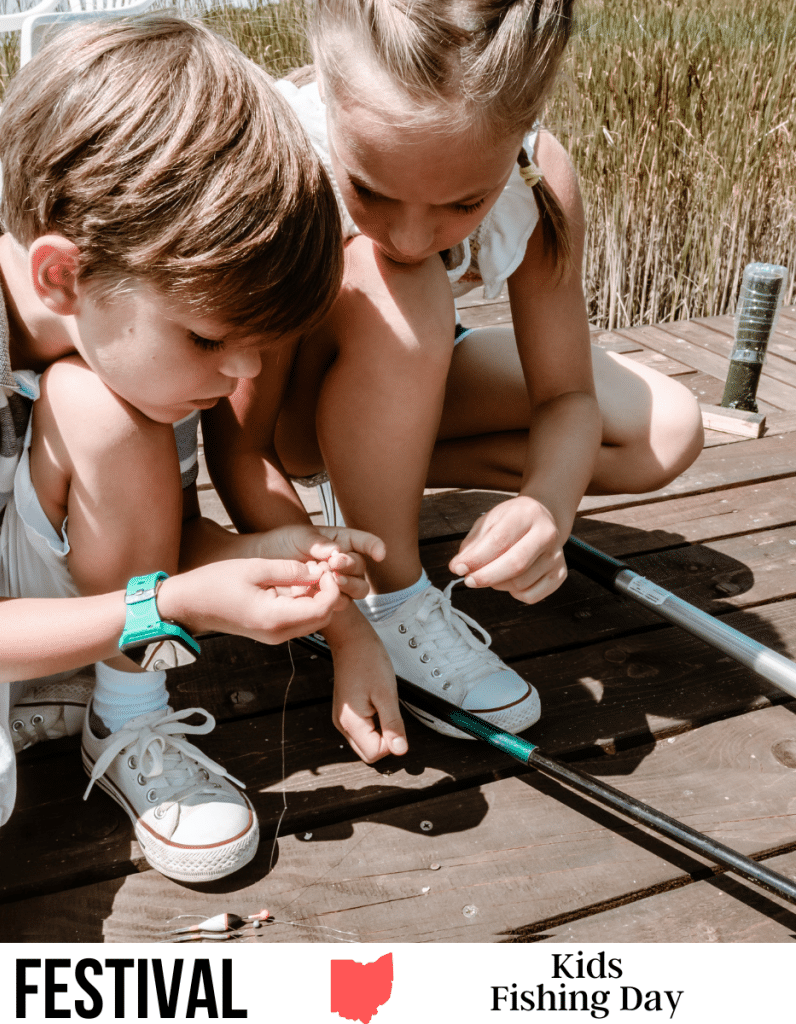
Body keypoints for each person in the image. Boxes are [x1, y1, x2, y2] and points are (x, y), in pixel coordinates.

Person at [0, 16, 383, 942]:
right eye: (216, 341)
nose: (247, 380)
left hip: (38, 598)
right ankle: (80, 692)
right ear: (62, 273)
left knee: (104, 408)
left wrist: (278, 565)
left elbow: (161, 535)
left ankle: (123, 710)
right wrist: (177, 604)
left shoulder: (133, 331)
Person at [205, 0, 704, 759]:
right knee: (398, 278)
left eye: (464, 204)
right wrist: (337, 611)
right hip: (293, 410)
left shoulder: (541, 176)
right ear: (334, 115)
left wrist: (548, 504)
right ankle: (395, 594)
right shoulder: (279, 159)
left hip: (411, 365)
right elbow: (243, 451)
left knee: (667, 431)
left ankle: (379, 474)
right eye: (369, 191)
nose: (410, 234)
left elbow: (566, 395)